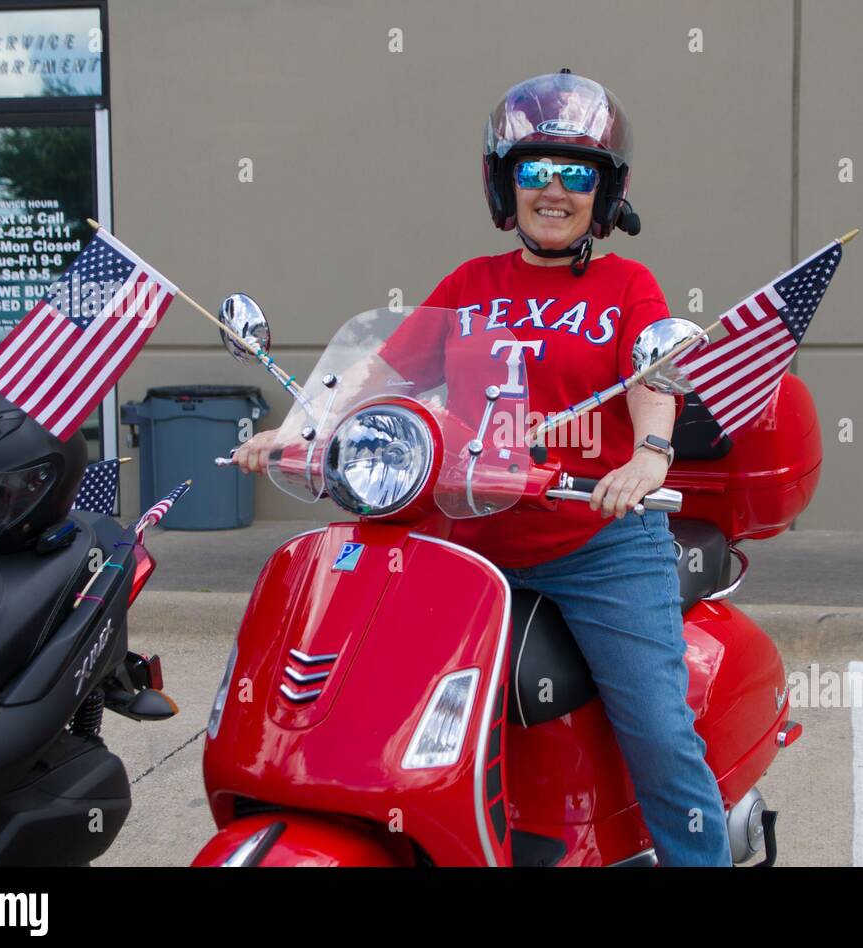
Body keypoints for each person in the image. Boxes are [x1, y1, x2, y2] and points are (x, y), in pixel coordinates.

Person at [235, 70, 733, 866]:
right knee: (381, 694)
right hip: (468, 540)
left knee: (658, 729)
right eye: (536, 171)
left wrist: (647, 456)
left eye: (578, 174)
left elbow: (651, 374)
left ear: (605, 192)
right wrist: (301, 428)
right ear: (506, 183)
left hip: (597, 541)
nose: (555, 191)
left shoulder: (627, 285)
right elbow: (377, 376)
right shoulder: (469, 286)